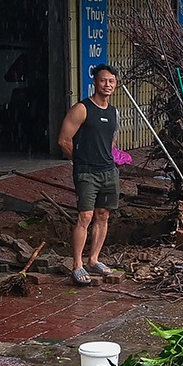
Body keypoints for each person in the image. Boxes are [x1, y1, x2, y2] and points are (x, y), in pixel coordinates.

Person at [56, 63, 120, 286]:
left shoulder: (114, 112)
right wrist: (80, 160)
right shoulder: (82, 109)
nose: (107, 85)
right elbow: (63, 140)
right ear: (95, 82)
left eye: (111, 81)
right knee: (85, 217)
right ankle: (77, 264)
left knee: (103, 215)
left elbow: (111, 141)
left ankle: (94, 259)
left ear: (116, 84)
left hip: (109, 172)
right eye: (103, 80)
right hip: (87, 173)